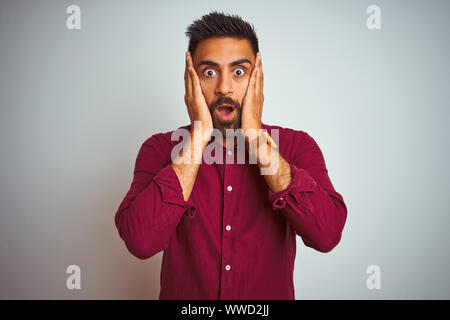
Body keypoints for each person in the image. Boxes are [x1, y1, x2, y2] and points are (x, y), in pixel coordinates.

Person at [115, 11, 347, 300]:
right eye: (209, 72)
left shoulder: (296, 146)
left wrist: (254, 137)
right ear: (192, 80)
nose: (224, 87)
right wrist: (199, 135)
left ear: (257, 78)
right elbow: (141, 242)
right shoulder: (160, 149)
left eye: (239, 71)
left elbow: (326, 235)